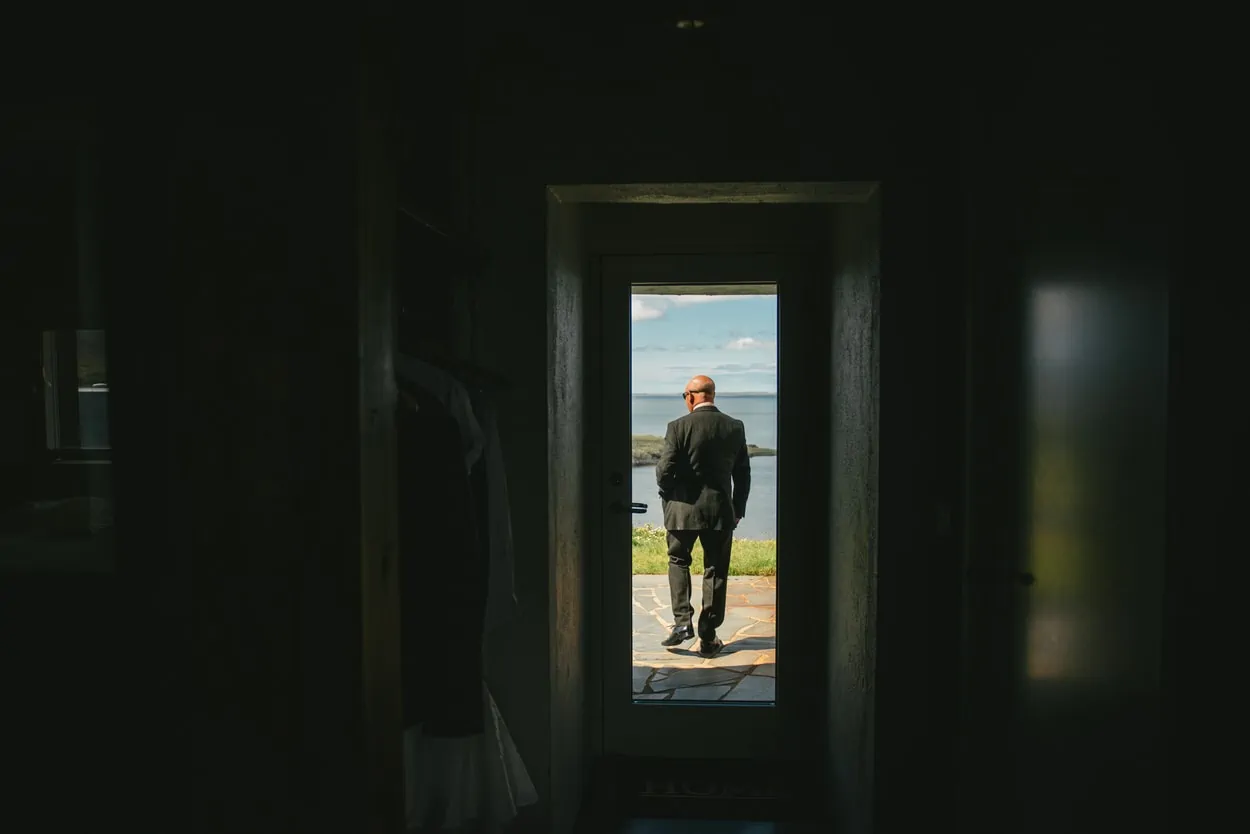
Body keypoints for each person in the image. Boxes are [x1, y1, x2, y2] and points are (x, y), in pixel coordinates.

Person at [655, 374, 751, 657]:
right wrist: (738, 509)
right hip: (720, 513)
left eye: (684, 395)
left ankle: (682, 624)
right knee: (715, 571)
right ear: (712, 395)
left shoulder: (678, 427)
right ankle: (708, 636)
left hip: (681, 511)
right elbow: (742, 474)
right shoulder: (734, 427)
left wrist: (668, 494)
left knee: (678, 561)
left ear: (692, 396)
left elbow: (664, 470)